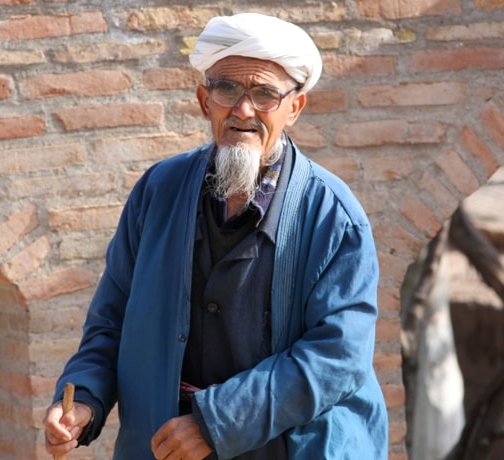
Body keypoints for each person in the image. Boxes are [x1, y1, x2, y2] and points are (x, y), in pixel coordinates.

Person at [42, 12, 388, 460]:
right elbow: (113, 320)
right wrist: (84, 398)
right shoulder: (157, 191)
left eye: (264, 94)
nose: (244, 110)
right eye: (228, 89)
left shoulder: (333, 217)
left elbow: (337, 357)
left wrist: (214, 423)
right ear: (206, 101)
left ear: (294, 108)